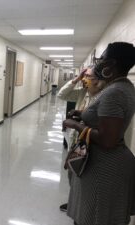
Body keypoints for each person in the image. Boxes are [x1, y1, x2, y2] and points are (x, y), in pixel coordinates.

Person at [63, 42, 135, 225]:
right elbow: (107, 119)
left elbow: (107, 139)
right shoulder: (124, 87)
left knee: (93, 216)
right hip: (108, 162)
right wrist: (83, 115)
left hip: (103, 165)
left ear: (111, 64)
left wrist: (76, 125)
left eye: (102, 59)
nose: (98, 63)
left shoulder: (114, 92)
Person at [58, 66, 106, 212]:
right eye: (83, 77)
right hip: (77, 141)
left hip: (92, 143)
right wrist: (76, 79)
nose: (84, 80)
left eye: (88, 77)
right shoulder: (83, 93)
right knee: (72, 171)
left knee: (84, 176)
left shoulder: (104, 97)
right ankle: (74, 201)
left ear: (98, 81)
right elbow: (62, 94)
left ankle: (83, 207)